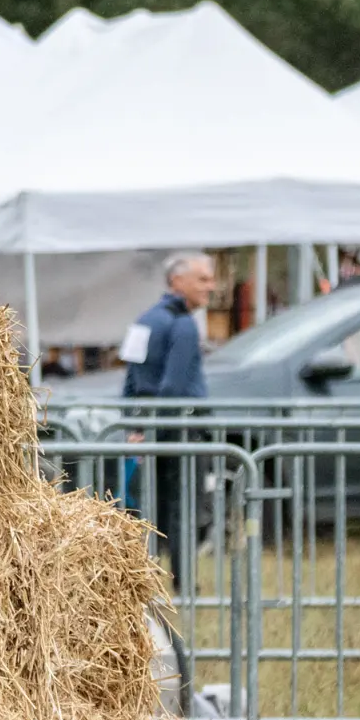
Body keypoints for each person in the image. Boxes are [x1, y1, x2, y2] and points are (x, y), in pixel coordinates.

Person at [119, 251, 216, 592]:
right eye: (203, 279)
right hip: (179, 424)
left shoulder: (144, 321)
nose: (211, 286)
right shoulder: (184, 325)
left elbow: (130, 380)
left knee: (148, 504)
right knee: (184, 503)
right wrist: (156, 429)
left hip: (147, 424)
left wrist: (135, 427)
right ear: (178, 281)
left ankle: (144, 580)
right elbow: (173, 386)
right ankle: (185, 583)